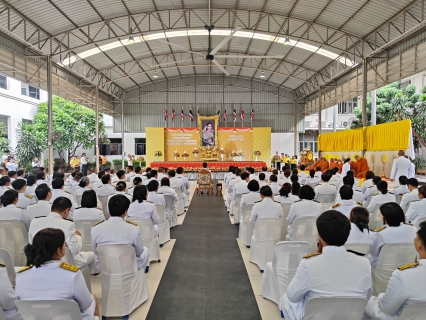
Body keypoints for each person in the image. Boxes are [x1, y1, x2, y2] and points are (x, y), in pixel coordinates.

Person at [280, 210, 372, 320]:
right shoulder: (364, 262)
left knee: (285, 298)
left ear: (319, 235)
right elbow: (367, 296)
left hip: (316, 316)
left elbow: (293, 296)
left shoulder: (309, 264)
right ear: (347, 233)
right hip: (350, 316)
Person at [16, 228, 99, 320]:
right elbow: (85, 304)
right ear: (59, 250)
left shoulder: (21, 276)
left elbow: (17, 305)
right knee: (93, 298)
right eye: (64, 244)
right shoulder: (72, 275)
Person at [364, 221, 426, 319]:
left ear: (419, 244)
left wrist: (380, 296)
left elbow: (386, 308)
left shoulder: (404, 275)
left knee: (365, 301)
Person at [28, 197, 96, 271]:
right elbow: (76, 249)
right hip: (65, 261)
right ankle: (81, 277)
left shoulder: (34, 222)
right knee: (93, 255)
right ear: (67, 210)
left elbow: (31, 244)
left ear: (52, 208)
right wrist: (78, 236)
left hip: (40, 261)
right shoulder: (68, 224)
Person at [91, 195, 150, 272]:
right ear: (125, 212)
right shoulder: (133, 228)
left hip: (106, 266)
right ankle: (138, 276)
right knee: (145, 250)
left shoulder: (95, 229)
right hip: (128, 266)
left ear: (109, 210)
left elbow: (95, 251)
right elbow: (139, 251)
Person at [368, 202, 417, 267]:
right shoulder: (413, 229)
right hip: (407, 267)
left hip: (383, 271)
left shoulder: (380, 233)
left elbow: (373, 252)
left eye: (381, 215)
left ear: (386, 218)